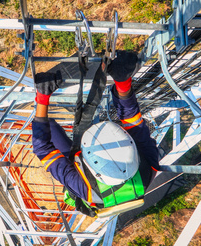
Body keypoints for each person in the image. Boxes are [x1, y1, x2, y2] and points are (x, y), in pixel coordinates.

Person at [32, 51, 160, 216]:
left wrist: (42, 98)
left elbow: (42, 149)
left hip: (85, 181)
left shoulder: (84, 188)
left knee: (47, 126)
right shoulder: (147, 168)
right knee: (46, 125)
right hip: (102, 176)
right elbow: (132, 120)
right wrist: (123, 80)